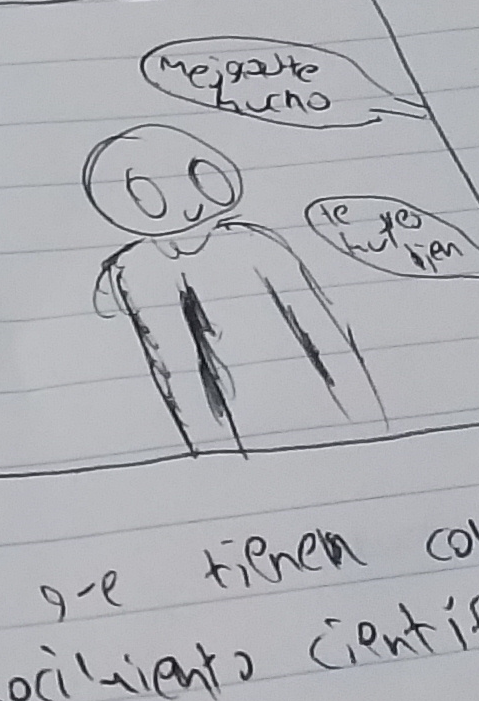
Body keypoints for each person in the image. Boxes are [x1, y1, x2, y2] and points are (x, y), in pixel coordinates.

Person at [84, 123, 381, 455]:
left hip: (308, 410)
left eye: (198, 178)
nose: (190, 207)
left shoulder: (253, 243)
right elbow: (176, 371)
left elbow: (324, 335)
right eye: (149, 195)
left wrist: (370, 420)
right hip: (246, 432)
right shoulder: (136, 270)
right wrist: (210, 455)